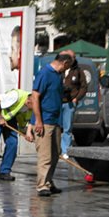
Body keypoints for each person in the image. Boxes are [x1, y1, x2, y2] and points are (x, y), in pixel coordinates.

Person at [28, 54, 71, 197]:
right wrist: (37, 121)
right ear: (64, 63)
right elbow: (35, 97)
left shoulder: (58, 75)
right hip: (44, 121)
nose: (68, 70)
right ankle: (42, 186)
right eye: (68, 66)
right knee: (45, 156)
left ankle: (49, 181)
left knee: (55, 154)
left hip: (55, 120)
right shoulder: (44, 74)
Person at [58, 50, 86, 155]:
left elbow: (84, 87)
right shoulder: (59, 70)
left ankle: (65, 151)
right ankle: (56, 149)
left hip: (70, 102)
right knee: (55, 126)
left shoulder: (78, 71)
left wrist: (77, 98)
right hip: (58, 102)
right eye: (70, 57)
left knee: (67, 128)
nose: (72, 58)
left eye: (73, 57)